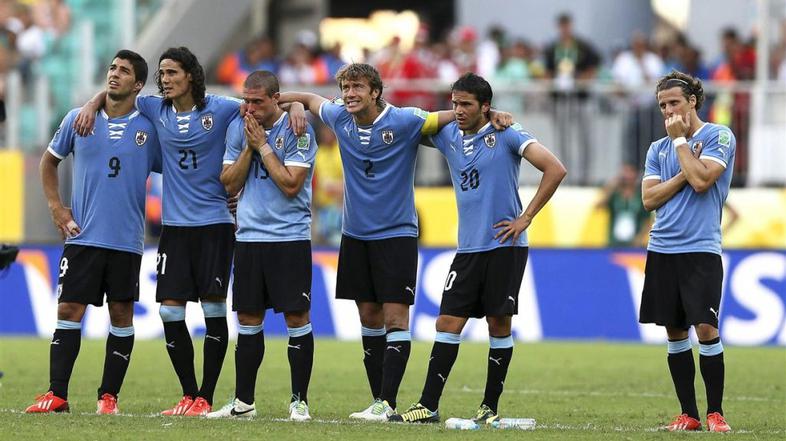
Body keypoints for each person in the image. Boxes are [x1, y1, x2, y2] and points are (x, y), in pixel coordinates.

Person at [278, 63, 512, 421]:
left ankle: (387, 403)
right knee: (368, 316)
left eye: (357, 87)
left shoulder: (404, 120)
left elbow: (450, 116)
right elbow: (310, 98)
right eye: (345, 88)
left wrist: (492, 114)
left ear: (375, 92)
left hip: (397, 235)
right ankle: (378, 401)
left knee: (395, 318)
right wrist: (293, 103)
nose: (350, 94)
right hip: (355, 234)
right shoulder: (339, 116)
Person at [390, 73, 566, 424]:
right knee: (447, 321)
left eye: (466, 104)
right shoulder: (448, 134)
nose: (458, 110)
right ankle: (428, 405)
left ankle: (489, 407)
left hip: (505, 246)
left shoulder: (507, 133)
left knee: (498, 323)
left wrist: (526, 217)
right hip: (467, 249)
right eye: (454, 103)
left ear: (485, 106)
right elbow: (407, 125)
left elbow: (555, 169)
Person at [74, 47, 241, 417]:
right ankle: (188, 394)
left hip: (214, 224)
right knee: (169, 312)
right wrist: (91, 103)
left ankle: (206, 397)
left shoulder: (222, 108)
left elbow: (261, 104)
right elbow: (117, 94)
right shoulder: (154, 109)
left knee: (213, 308)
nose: (165, 80)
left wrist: (296, 105)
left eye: (172, 73)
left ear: (190, 75)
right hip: (174, 228)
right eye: (162, 74)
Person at [25, 50, 161, 415]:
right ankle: (57, 394)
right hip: (83, 236)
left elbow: (180, 168)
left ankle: (109, 397)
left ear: (138, 84)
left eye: (124, 71)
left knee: (121, 313)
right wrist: (56, 207)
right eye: (112, 67)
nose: (114, 73)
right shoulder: (78, 119)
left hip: (126, 239)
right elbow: (48, 162)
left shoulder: (150, 128)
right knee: (69, 308)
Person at [206, 71, 317, 421]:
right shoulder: (239, 128)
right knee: (248, 318)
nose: (249, 108)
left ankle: (299, 401)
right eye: (246, 100)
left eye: (257, 101)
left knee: (296, 317)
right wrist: (249, 147)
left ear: (276, 99)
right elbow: (229, 183)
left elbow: (291, 185)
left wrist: (264, 146)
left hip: (289, 238)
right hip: (249, 238)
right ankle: (244, 402)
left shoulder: (299, 129)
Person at [640, 70, 735, 433]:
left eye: (674, 103)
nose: (668, 111)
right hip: (662, 248)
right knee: (675, 331)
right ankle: (689, 414)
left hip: (701, 248)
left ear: (692, 101)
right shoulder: (657, 148)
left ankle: (715, 413)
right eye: (662, 105)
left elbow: (702, 181)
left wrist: (681, 143)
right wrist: (682, 166)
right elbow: (649, 199)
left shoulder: (718, 136)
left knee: (706, 328)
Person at [596, 164, 652, 247]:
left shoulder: (641, 196)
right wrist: (612, 184)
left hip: (633, 244)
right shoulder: (614, 195)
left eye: (630, 172)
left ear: (636, 175)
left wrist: (639, 238)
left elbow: (647, 221)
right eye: (625, 172)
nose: (627, 176)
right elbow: (598, 206)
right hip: (613, 243)